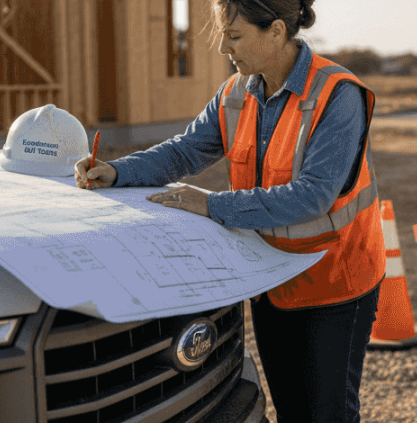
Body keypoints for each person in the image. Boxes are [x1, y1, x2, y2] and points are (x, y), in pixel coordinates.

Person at [73, 0, 384, 421]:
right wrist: (117, 171)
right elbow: (185, 151)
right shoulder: (236, 92)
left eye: (234, 36)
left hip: (334, 283)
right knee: (291, 408)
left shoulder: (338, 95)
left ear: (275, 31)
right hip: (270, 279)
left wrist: (211, 205)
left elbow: (313, 196)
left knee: (326, 414)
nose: (223, 48)